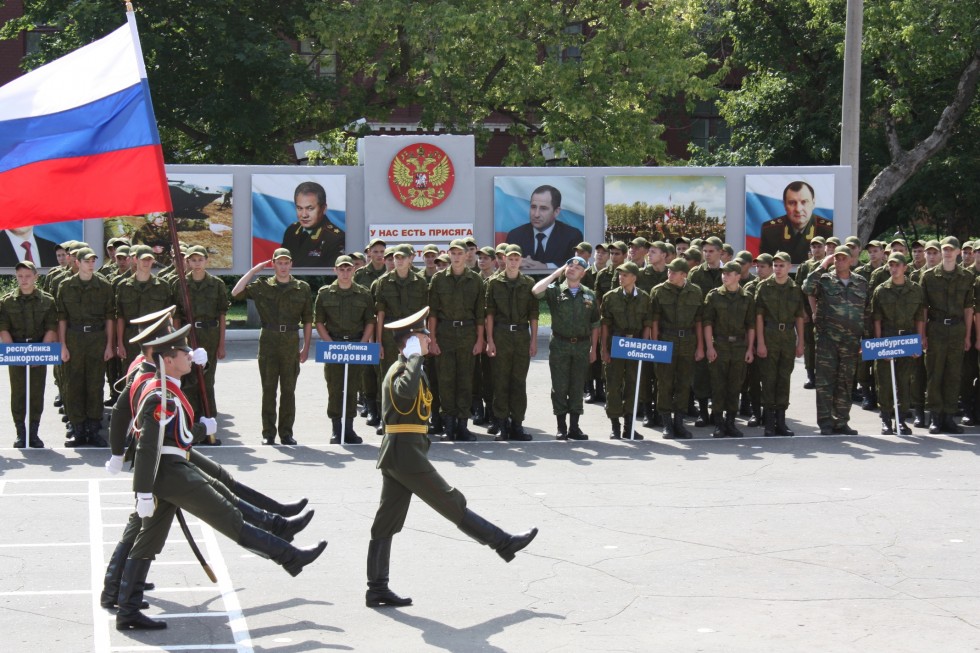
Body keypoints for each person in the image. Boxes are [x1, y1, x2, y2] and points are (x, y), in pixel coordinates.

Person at [113, 325, 325, 630]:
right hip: (171, 474)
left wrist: (198, 428)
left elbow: (175, 436)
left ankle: (128, 610)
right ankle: (290, 556)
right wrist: (143, 491)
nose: (189, 356)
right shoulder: (161, 395)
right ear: (169, 359)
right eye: (184, 352)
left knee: (149, 541)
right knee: (230, 518)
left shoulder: (168, 387)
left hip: (169, 472)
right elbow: (149, 446)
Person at [365, 307, 537, 608]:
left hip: (404, 452)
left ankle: (376, 588)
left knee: (386, 521)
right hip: (405, 455)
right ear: (410, 343)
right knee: (450, 501)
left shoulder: (409, 368)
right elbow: (405, 395)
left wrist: (415, 357)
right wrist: (414, 356)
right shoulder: (402, 369)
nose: (429, 341)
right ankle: (503, 542)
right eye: (423, 337)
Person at [231, 249, 312, 445]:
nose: (283, 267)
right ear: (273, 264)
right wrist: (254, 271)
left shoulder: (302, 288)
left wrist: (306, 347)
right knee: (268, 390)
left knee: (288, 390)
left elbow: (308, 320)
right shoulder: (262, 286)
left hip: (291, 340)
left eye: (286, 263)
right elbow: (235, 293)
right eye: (279, 263)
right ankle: (268, 433)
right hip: (268, 339)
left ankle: (286, 433)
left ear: (291, 264)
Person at [802, 245, 869, 435]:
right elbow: (807, 287)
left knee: (846, 382)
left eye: (842, 258)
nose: (839, 261)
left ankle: (842, 421)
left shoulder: (861, 282)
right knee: (825, 382)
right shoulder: (824, 280)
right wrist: (823, 264)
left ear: (850, 260)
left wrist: (865, 338)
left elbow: (866, 312)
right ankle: (825, 422)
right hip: (827, 340)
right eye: (836, 258)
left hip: (851, 342)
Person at [532, 258, 600, 440]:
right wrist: (555, 274)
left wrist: (594, 349)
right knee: (560, 386)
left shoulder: (589, 295)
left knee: (577, 386)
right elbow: (536, 291)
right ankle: (561, 427)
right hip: (560, 345)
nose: (572, 269)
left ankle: (575, 427)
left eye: (578, 267)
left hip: (582, 346)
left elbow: (595, 324)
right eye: (570, 266)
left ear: (583, 273)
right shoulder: (555, 291)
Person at [427, 239, 486, 441]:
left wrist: (480, 340)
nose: (457, 256)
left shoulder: (476, 280)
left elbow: (480, 314)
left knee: (465, 381)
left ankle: (463, 425)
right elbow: (433, 313)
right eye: (453, 253)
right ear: (449, 255)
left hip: (468, 334)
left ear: (466, 255)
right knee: (445, 381)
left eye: (460, 253)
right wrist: (432, 339)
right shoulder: (438, 279)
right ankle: (449, 425)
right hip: (444, 333)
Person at [56, 247, 114, 446]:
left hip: (97, 338)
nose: (91, 263)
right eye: (87, 260)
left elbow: (109, 318)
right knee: (74, 384)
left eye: (93, 260)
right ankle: (77, 428)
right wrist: (62, 345)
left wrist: (109, 345)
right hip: (74, 337)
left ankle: (93, 427)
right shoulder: (66, 286)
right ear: (77, 262)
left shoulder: (104, 286)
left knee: (95, 384)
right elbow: (62, 318)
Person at [314, 255, 375, 444]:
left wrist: (364, 343)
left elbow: (370, 321)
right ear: (335, 270)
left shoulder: (363, 293)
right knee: (335, 388)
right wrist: (330, 343)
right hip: (334, 345)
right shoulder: (325, 293)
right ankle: (336, 429)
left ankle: (349, 429)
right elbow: (319, 321)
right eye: (342, 269)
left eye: (349, 269)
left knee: (352, 388)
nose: (345, 272)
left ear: (353, 270)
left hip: (356, 344)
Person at [919, 237, 975, 433]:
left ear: (959, 252)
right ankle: (935, 416)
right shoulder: (928, 276)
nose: (948, 252)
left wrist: (968, 336)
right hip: (936, 329)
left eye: (952, 249)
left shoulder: (967, 277)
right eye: (945, 249)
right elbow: (923, 309)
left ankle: (949, 417)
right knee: (935, 374)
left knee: (953, 375)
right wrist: (923, 334)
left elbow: (969, 309)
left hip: (957, 329)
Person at [373, 244, 430, 434]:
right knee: (387, 375)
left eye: (403, 257)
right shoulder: (384, 282)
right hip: (391, 335)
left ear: (411, 259)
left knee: (414, 373)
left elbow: (423, 313)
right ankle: (386, 419)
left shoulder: (420, 282)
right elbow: (380, 314)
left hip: (413, 334)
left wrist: (424, 338)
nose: (399, 260)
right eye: (396, 257)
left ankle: (415, 415)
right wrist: (378, 341)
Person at [0, 261, 58, 447]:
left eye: (27, 276)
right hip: (16, 349)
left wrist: (39, 353)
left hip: (39, 348)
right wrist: (14, 354)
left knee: (36, 392)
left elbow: (51, 328)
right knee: (18, 392)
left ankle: (33, 432)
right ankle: (20, 432)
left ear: (35, 277)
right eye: (19, 276)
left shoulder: (47, 301)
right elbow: (4, 329)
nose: (23, 280)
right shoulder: (7, 301)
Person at [484, 244, 539, 441]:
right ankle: (501, 424)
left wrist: (533, 341)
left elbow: (534, 315)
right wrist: (490, 340)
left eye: (517, 258)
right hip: (501, 334)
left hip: (521, 336)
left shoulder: (528, 283)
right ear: (504, 260)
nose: (514, 262)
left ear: (521, 260)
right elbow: (489, 314)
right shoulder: (493, 283)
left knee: (518, 382)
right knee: (500, 381)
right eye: (510, 258)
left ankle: (517, 424)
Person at [870, 253, 926, 435]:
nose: (893, 269)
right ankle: (886, 419)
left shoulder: (915, 290)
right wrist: (879, 347)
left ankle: (901, 420)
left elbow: (919, 317)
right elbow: (876, 319)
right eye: (891, 265)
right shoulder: (881, 290)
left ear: (905, 268)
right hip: (887, 339)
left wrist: (919, 341)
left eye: (897, 265)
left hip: (908, 340)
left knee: (904, 382)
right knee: (885, 382)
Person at [172, 245, 229, 418]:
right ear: (187, 262)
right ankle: (190, 419)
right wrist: (176, 343)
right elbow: (176, 316)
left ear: (206, 261)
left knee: (207, 379)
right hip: (188, 335)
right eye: (193, 260)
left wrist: (221, 345)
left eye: (200, 259)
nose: (197, 263)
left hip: (210, 335)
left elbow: (222, 315)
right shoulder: (180, 284)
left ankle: (208, 420)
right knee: (189, 379)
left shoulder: (216, 285)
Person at [650, 259, 705, 438]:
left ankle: (679, 422)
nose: (669, 274)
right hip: (666, 340)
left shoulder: (695, 292)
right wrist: (655, 344)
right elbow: (654, 321)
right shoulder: (658, 291)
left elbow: (699, 322)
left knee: (684, 382)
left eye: (674, 272)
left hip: (688, 341)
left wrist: (700, 346)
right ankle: (667, 423)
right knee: (664, 382)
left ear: (684, 274)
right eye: (669, 271)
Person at [754, 252, 805, 436]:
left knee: (784, 378)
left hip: (788, 337)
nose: (778, 269)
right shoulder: (764, 287)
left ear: (790, 267)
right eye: (775, 265)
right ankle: (768, 422)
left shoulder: (795, 289)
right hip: (769, 335)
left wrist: (801, 342)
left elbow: (799, 317)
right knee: (768, 379)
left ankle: (781, 421)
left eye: (781, 265)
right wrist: (760, 342)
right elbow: (758, 317)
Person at [600, 261, 652, 439]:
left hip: (635, 344)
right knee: (613, 386)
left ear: (634, 278)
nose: (621, 277)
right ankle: (615, 426)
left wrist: (644, 347)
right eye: (620, 274)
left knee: (633, 385)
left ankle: (629, 427)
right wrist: (604, 350)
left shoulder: (645, 298)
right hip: (616, 343)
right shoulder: (610, 297)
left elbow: (647, 324)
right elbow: (605, 325)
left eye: (625, 275)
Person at [702, 261, 755, 437]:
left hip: (739, 346)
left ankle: (731, 422)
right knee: (718, 385)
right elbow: (707, 323)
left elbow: (750, 326)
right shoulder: (714, 296)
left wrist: (749, 349)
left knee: (735, 386)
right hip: (720, 344)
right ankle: (718, 423)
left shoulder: (747, 297)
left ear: (738, 276)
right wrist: (709, 346)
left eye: (729, 273)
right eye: (723, 273)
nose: (725, 276)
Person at [115, 245, 173, 367]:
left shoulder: (163, 286)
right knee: (130, 376)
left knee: (155, 376)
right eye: (143, 259)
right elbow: (120, 317)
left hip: (155, 338)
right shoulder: (123, 286)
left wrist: (168, 342)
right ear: (135, 259)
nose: (146, 263)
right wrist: (120, 343)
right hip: (131, 339)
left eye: (149, 259)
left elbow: (169, 317)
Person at [688, 236, 724, 427]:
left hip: (723, 329)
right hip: (700, 328)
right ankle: (703, 412)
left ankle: (718, 413)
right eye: (705, 251)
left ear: (720, 252)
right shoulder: (695, 274)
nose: (707, 255)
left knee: (720, 374)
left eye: (711, 251)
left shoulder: (728, 272)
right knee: (700, 372)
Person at [505, 185, 583, 269]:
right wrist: (514, 265)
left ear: (556, 211)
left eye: (543, 208)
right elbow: (504, 267)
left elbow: (576, 265)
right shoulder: (515, 236)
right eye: (533, 207)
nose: (536, 214)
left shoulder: (572, 236)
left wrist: (546, 267)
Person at [759, 181, 833, 263]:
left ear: (813, 203)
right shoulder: (770, 231)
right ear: (784, 205)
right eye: (792, 203)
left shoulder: (829, 230)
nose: (798, 209)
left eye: (804, 202)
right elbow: (765, 267)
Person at [280, 181, 345, 267]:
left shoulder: (336, 238)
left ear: (323, 208)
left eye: (310, 208)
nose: (304, 215)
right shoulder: (291, 230)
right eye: (299, 208)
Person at [795, 236, 827, 389]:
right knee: (809, 344)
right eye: (813, 247)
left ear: (825, 247)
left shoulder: (830, 264)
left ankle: (824, 376)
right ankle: (810, 375)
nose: (816, 249)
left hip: (826, 313)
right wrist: (802, 312)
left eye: (819, 246)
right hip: (808, 311)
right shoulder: (805, 266)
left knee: (825, 345)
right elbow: (798, 291)